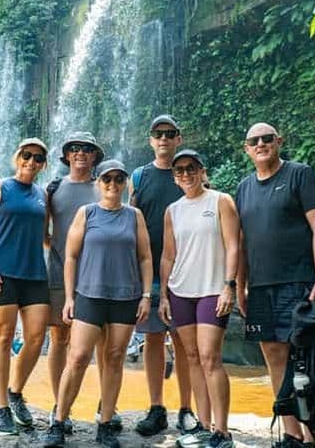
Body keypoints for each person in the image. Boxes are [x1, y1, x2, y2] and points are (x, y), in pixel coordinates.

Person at [235, 123, 315, 448]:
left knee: (305, 357)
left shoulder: (300, 175)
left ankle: (312, 433)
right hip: (261, 288)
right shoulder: (244, 188)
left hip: (300, 282)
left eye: (267, 138)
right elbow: (242, 242)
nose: (261, 144)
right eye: (254, 141)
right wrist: (240, 286)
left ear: (279, 142)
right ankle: (291, 433)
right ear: (246, 149)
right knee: (274, 357)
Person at [43, 160, 152, 448]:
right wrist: (69, 297)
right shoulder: (86, 213)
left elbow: (145, 257)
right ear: (98, 183)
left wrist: (146, 296)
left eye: (118, 179)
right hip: (89, 295)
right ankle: (59, 421)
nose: (113, 184)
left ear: (125, 182)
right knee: (77, 357)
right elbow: (71, 257)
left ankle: (104, 423)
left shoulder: (134, 216)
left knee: (114, 358)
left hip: (125, 297)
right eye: (107, 179)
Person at [159, 149, 240, 448]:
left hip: (211, 290)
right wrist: (164, 295)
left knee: (210, 357)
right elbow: (168, 256)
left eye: (190, 168)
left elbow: (233, 247)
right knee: (192, 357)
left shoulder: (221, 201)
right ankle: (204, 426)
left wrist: (229, 285)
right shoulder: (173, 210)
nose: (185, 174)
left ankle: (223, 431)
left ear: (201, 170)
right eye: (179, 170)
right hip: (181, 291)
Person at [0, 137, 50, 436]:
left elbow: (45, 236)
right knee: (3, 336)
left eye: (38, 158)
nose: (31, 161)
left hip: (35, 273)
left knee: (35, 338)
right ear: (17, 157)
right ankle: (0, 407)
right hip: (1, 273)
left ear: (43, 165)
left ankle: (15, 392)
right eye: (26, 155)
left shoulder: (43, 195)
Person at [130, 115, 199, 437]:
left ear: (178, 139)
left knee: (185, 342)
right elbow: (129, 219)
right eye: (158, 134)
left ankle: (187, 409)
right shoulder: (139, 177)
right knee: (153, 338)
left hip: (187, 272)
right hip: (149, 273)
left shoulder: (188, 174)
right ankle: (157, 407)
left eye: (169, 134)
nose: (163, 139)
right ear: (150, 140)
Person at [45, 131, 105, 432]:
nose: (80, 153)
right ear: (67, 155)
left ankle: (107, 407)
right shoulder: (53, 188)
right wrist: (59, 252)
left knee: (105, 342)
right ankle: (60, 405)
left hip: (98, 275)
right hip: (58, 273)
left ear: (95, 156)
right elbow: (44, 231)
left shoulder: (104, 187)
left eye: (87, 149)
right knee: (59, 339)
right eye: (75, 149)